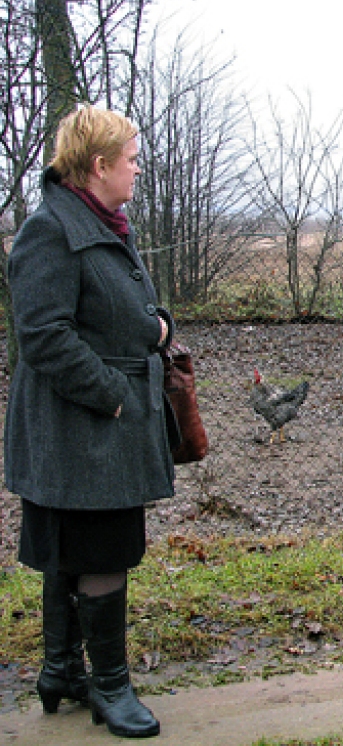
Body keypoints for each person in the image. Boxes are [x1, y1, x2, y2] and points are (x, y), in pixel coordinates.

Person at [6, 105, 176, 739]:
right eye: (130, 159)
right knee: (100, 551)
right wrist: (112, 394)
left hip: (93, 427)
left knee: (72, 552)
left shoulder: (104, 221)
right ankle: (108, 687)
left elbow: (112, 305)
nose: (137, 169)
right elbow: (43, 336)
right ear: (99, 166)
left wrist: (159, 327)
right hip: (78, 426)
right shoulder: (50, 230)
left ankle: (60, 672)